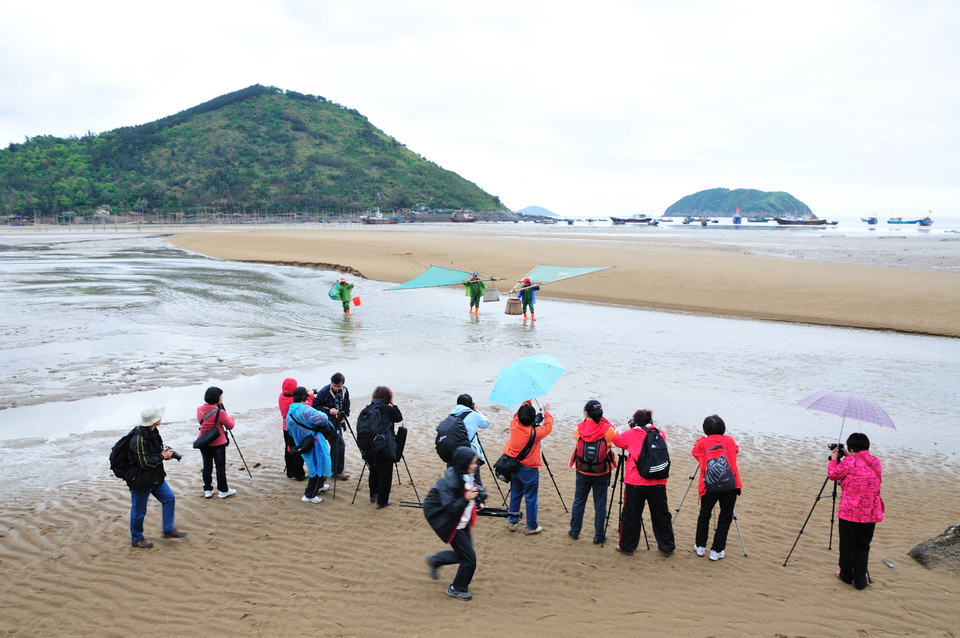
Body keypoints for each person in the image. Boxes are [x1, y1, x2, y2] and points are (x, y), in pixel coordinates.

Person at [612, 409, 676, 556]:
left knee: (631, 515)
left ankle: (627, 546)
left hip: (636, 481)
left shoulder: (632, 433)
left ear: (635, 422)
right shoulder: (660, 433)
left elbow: (617, 441)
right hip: (658, 480)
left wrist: (630, 429)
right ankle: (667, 546)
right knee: (661, 515)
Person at [424, 446, 485, 601]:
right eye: (473, 463)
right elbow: (451, 508)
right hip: (449, 521)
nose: (476, 466)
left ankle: (435, 560)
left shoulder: (467, 473)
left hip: (461, 520)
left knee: (463, 554)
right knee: (469, 559)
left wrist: (479, 500)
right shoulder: (451, 480)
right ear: (464, 463)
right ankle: (457, 588)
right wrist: (467, 499)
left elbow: (475, 489)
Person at [828, 433, 883, 590]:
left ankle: (845, 575)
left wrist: (834, 460)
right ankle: (860, 580)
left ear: (851, 448)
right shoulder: (876, 462)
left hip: (850, 512)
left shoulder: (849, 462)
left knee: (848, 544)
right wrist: (848, 455)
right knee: (863, 545)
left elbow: (833, 475)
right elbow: (861, 466)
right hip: (871, 513)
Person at [127, 406, 186, 548]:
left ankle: (168, 529)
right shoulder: (138, 439)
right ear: (154, 421)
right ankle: (136, 539)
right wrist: (162, 456)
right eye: (159, 417)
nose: (161, 418)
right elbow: (143, 463)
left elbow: (153, 454)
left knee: (169, 498)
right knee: (139, 511)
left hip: (155, 477)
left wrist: (164, 454)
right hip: (141, 480)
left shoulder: (153, 432)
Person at [691, 414, 742, 561]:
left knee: (704, 515)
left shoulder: (702, 443)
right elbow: (736, 449)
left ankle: (700, 546)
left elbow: (695, 451)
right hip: (730, 486)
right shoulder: (730, 441)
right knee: (725, 518)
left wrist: (704, 441)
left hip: (709, 486)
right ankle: (717, 550)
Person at [568, 400, 617, 543]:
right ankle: (599, 535)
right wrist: (604, 420)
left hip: (582, 470)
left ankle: (574, 531)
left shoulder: (578, 429)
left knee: (579, 501)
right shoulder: (608, 430)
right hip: (601, 471)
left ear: (586, 413)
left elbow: (578, 443)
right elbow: (615, 434)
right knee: (600, 504)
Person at [504, 401, 553, 534]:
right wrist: (547, 412)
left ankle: (512, 521)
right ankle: (531, 526)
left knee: (515, 494)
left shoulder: (514, 424)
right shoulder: (536, 432)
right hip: (529, 470)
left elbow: (519, 412)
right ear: (532, 420)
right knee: (531, 498)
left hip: (515, 467)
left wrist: (527, 399)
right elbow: (548, 426)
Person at [286, 386, 334, 504]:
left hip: (303, 441)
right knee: (316, 465)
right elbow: (323, 418)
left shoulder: (290, 411)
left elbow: (290, 430)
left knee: (316, 463)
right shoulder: (305, 410)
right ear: (304, 397)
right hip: (314, 441)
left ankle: (320, 485)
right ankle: (309, 494)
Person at [366, 386, 404, 509]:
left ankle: (373, 494)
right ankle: (382, 501)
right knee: (385, 473)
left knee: (374, 469)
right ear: (388, 397)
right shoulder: (388, 410)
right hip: (385, 446)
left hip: (370, 446)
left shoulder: (368, 408)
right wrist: (393, 403)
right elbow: (399, 418)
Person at [196, 386, 237, 499]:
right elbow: (230, 426)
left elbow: (201, 422)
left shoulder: (200, 409)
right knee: (220, 466)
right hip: (218, 443)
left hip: (203, 441)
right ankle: (223, 490)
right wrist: (230, 418)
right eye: (221, 396)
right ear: (217, 398)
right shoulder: (220, 412)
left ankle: (208, 490)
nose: (222, 398)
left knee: (207, 466)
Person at [313, 372, 352, 480]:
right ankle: (337, 471)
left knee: (337, 445)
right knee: (339, 445)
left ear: (342, 384)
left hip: (339, 422)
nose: (336, 388)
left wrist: (345, 414)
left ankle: (334, 469)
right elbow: (315, 406)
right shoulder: (324, 392)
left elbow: (347, 403)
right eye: (334, 386)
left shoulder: (345, 390)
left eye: (338, 386)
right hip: (327, 424)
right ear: (331, 383)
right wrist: (328, 411)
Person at [449, 393, 490, 484]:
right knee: (475, 483)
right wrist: (477, 410)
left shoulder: (451, 414)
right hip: (469, 455)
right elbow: (486, 424)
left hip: (453, 453)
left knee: (455, 482)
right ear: (471, 404)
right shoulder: (473, 415)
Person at [279, 377, 306, 480]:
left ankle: (290, 471)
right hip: (294, 429)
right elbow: (306, 406)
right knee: (298, 450)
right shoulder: (293, 402)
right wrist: (310, 395)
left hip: (285, 427)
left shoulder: (281, 396)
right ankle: (298, 474)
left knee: (289, 449)